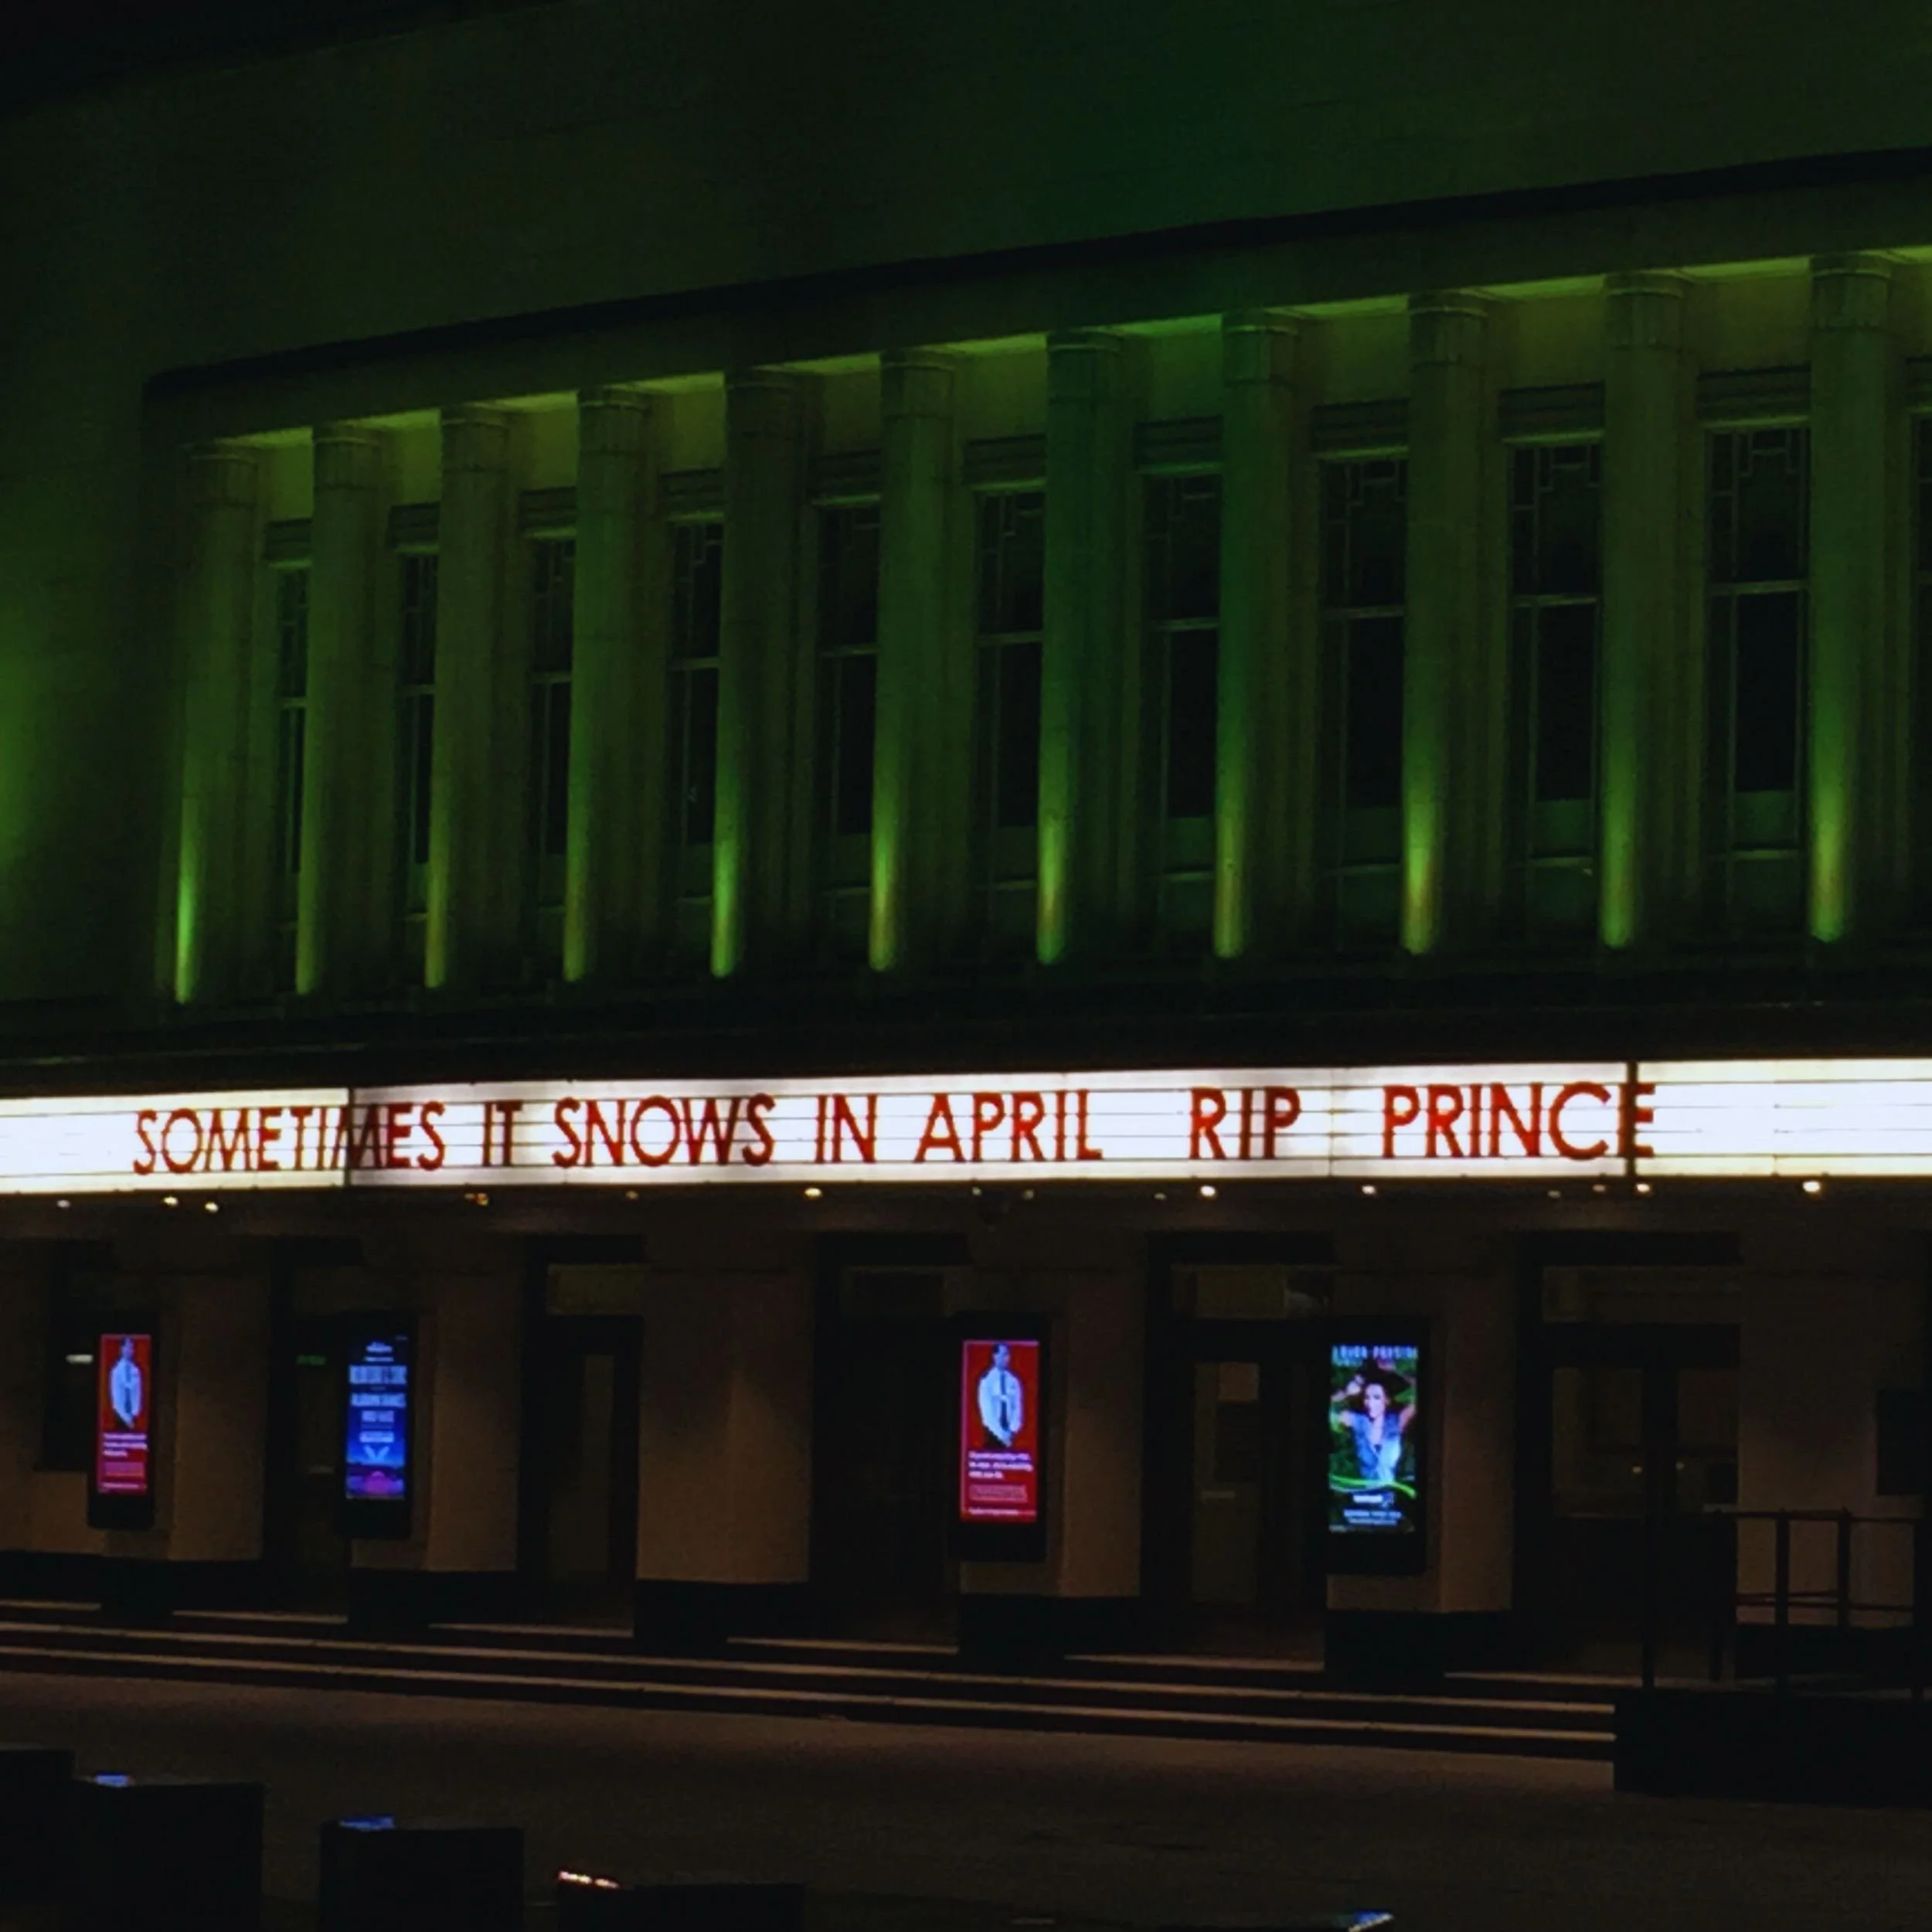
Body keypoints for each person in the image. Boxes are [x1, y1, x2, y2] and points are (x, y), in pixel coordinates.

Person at [1332, 1368, 1412, 1485]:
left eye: (1376, 1397)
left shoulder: (1397, 1422)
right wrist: (1346, 1393)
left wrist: (1396, 1369)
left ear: (1387, 1400)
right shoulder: (1358, 1421)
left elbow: (1420, 1394)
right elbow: (1331, 1413)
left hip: (1391, 1493)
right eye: (1367, 1398)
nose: (1370, 1403)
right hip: (1362, 1493)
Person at [977, 1342, 1024, 1449]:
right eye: (1002, 1354)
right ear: (995, 1356)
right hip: (993, 1434)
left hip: (1010, 1436)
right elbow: (987, 1413)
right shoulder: (987, 1381)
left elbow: (1017, 1407)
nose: (1005, 1358)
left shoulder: (1013, 1381)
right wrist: (1002, 1436)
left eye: (1007, 1355)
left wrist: (1011, 1431)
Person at [108, 1335, 143, 1430]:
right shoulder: (116, 1372)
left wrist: (134, 1415)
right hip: (120, 1417)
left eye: (131, 1347)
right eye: (127, 1347)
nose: (129, 1350)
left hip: (134, 1417)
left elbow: (138, 1394)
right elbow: (116, 1397)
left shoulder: (136, 1371)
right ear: (121, 1349)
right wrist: (127, 1419)